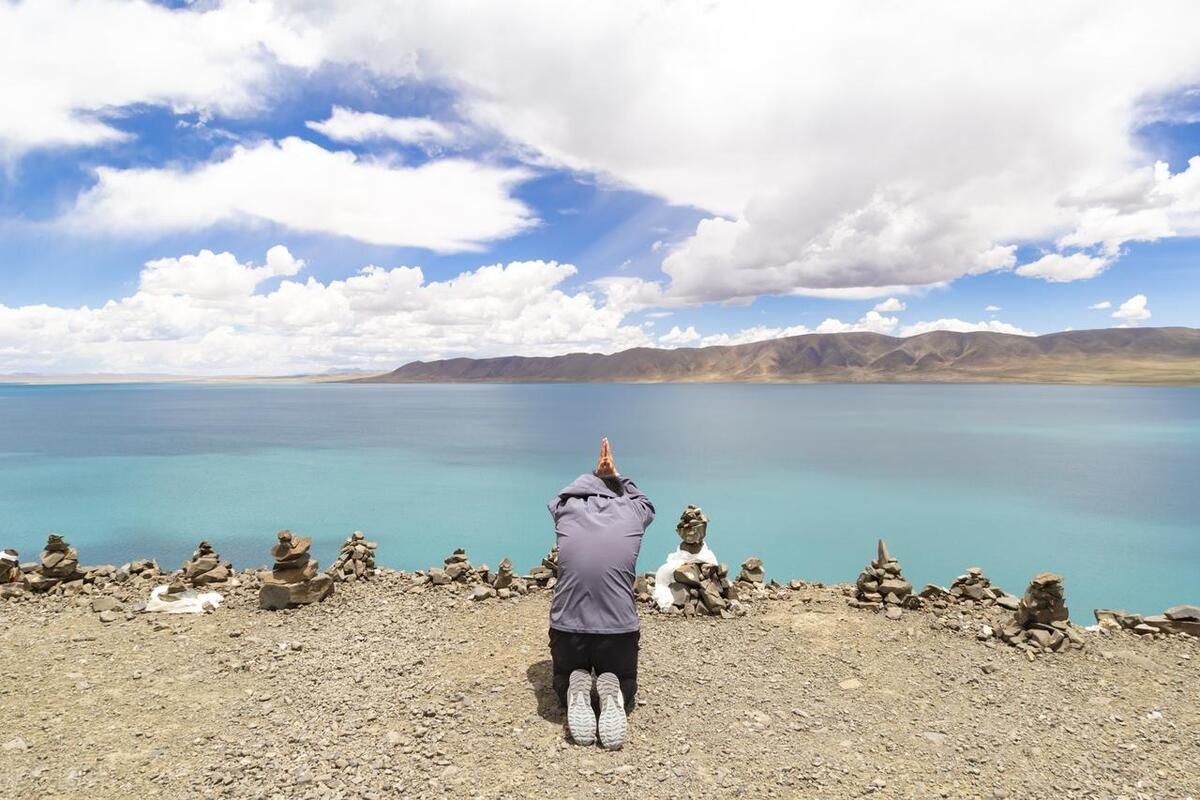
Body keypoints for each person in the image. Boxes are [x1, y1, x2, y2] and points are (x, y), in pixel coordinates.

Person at [547, 438, 655, 750]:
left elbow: (556, 499)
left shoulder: (566, 509)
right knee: (626, 679)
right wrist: (615, 476)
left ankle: (573, 685)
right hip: (617, 631)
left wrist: (594, 476)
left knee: (562, 678)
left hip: (568, 631)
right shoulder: (633, 513)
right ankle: (616, 690)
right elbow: (647, 504)